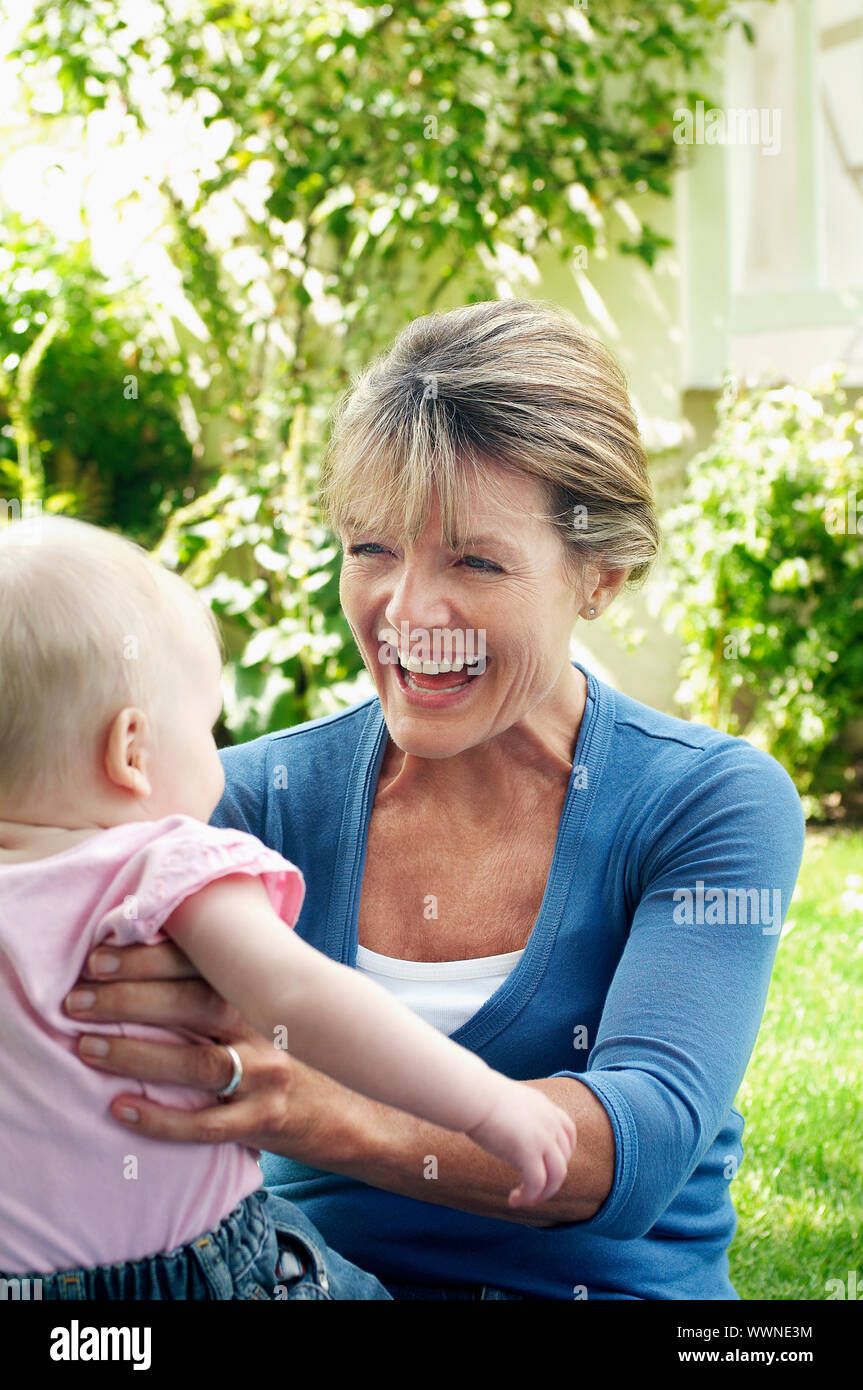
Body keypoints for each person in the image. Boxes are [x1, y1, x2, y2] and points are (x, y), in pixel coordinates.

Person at [63, 299, 805, 1300]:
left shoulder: (706, 802)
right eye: (370, 548)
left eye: (473, 559)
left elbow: (625, 1149)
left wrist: (284, 1097)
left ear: (602, 574)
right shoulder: (253, 800)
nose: (406, 612)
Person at [0, 514, 577, 1301]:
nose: (220, 757)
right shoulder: (164, 866)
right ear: (131, 752)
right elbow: (303, 1000)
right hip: (198, 1276)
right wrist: (486, 1103)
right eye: (205, 730)